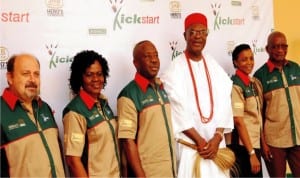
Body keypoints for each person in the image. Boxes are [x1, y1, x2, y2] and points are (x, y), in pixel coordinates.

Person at [161, 13, 234, 178]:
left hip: (217, 147)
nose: (197, 37)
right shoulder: (175, 68)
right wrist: (200, 141)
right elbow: (176, 109)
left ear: (207, 35)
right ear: (184, 35)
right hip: (191, 147)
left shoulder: (213, 64)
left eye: (202, 32)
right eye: (193, 32)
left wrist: (217, 137)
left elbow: (225, 101)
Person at [117, 40, 177, 177]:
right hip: (149, 172)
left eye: (156, 55)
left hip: (170, 169)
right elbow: (127, 141)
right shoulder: (129, 94)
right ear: (136, 63)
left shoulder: (162, 88)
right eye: (147, 56)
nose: (154, 60)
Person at [0, 54, 65, 177]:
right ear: (10, 77)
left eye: (36, 74)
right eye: (26, 74)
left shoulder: (44, 108)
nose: (32, 79)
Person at [62, 50, 120, 177]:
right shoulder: (75, 112)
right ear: (80, 78)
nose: (96, 79)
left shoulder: (103, 103)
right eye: (89, 75)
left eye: (99, 74)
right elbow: (72, 160)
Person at [253, 31, 300, 177]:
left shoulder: (296, 68)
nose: (280, 50)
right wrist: (263, 144)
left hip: (297, 137)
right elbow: (258, 114)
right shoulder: (260, 76)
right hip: (274, 141)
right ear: (268, 49)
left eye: (283, 46)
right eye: (275, 46)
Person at [227, 44, 264, 177]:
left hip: (254, 144)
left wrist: (262, 145)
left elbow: (257, 117)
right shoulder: (236, 85)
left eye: (251, 58)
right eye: (244, 59)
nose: (249, 62)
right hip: (243, 148)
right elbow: (238, 121)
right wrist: (251, 153)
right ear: (235, 62)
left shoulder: (254, 82)